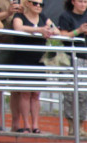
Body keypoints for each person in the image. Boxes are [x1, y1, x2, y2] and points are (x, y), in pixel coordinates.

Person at [10, 0, 56, 133]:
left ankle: (35, 125)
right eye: (35, 3)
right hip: (23, 58)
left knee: (36, 93)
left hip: (38, 59)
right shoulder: (20, 16)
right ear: (28, 3)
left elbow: (56, 29)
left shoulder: (43, 17)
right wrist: (38, 30)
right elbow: (18, 27)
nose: (38, 6)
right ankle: (25, 124)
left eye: (41, 4)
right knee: (25, 93)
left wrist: (49, 30)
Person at [56, 0, 87, 137]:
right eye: (80, 1)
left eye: (85, 1)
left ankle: (81, 126)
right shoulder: (65, 16)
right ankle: (71, 126)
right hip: (70, 58)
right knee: (70, 94)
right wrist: (79, 30)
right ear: (73, 2)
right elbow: (62, 36)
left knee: (86, 94)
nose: (83, 4)